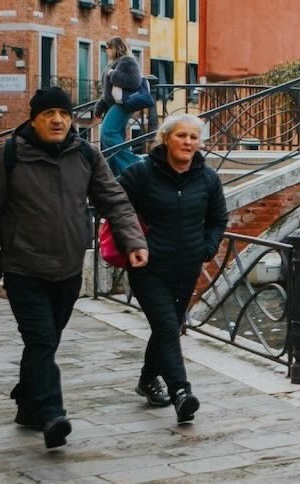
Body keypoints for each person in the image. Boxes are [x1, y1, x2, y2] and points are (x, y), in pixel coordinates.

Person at [0, 87, 147, 450]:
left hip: (68, 269)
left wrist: (134, 242)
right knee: (40, 340)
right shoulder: (7, 156)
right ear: (33, 118)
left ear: (71, 119)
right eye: (49, 113)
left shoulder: (86, 154)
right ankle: (53, 413)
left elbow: (114, 200)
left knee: (44, 344)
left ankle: (26, 404)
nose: (57, 120)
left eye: (63, 114)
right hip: (24, 268)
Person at [116, 113, 226, 424]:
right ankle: (181, 392)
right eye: (181, 136)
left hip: (187, 267)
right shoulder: (141, 173)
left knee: (168, 326)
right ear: (166, 138)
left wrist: (207, 248)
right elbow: (114, 205)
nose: (188, 142)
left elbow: (218, 220)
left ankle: (147, 380)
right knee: (166, 326)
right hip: (148, 266)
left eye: (193, 137)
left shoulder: (208, 179)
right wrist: (133, 242)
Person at [96, 37, 149, 177]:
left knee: (108, 132)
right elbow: (109, 91)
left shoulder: (127, 60)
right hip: (116, 104)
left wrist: (112, 74)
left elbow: (133, 81)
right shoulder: (115, 63)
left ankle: (135, 163)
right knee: (116, 135)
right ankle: (118, 172)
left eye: (107, 48)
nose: (106, 51)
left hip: (123, 104)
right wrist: (100, 106)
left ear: (115, 48)